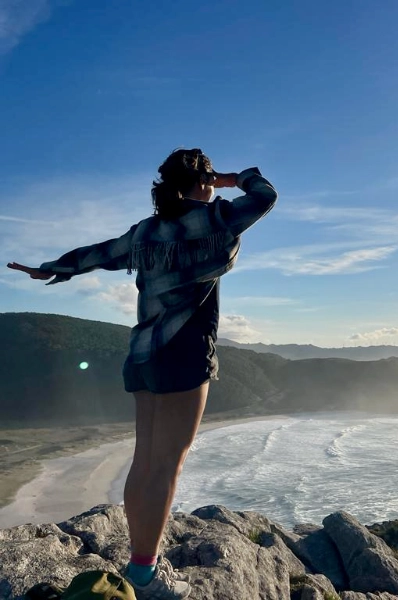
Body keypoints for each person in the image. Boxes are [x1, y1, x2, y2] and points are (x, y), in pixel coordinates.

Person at [7, 148, 278, 599]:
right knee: (167, 465)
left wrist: (50, 269)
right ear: (203, 178)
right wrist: (234, 178)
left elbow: (99, 253)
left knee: (145, 461)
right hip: (185, 351)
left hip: (142, 355)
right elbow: (265, 195)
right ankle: (145, 576)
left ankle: (142, 561)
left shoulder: (146, 232)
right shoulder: (215, 219)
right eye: (209, 177)